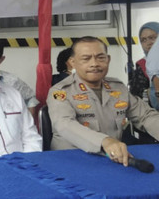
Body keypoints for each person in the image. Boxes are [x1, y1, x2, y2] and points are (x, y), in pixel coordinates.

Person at [47, 36, 159, 166]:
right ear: (72, 62)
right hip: (71, 161)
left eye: (100, 57)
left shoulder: (118, 87)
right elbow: (65, 124)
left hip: (111, 160)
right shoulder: (60, 91)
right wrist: (105, 141)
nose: (94, 64)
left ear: (108, 59)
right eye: (86, 59)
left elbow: (145, 116)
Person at [130, 22, 159, 108]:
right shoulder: (142, 65)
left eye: (152, 38)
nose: (148, 43)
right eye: (143, 40)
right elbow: (136, 99)